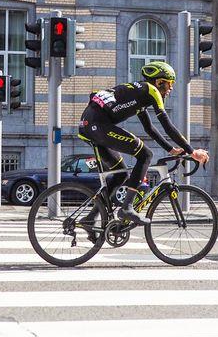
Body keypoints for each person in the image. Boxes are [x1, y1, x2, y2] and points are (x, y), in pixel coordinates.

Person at [78, 61, 209, 226]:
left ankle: (89, 219)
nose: (171, 88)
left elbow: (150, 129)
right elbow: (167, 125)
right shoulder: (150, 90)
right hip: (98, 125)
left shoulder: (139, 95)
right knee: (146, 154)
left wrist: (170, 149)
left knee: (120, 175)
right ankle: (127, 207)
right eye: (169, 83)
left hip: (90, 126)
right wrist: (192, 151)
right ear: (159, 82)